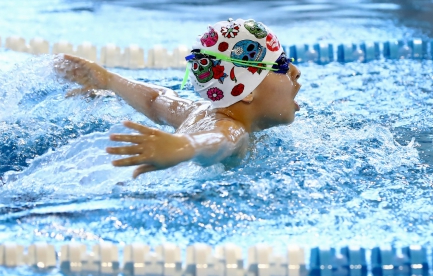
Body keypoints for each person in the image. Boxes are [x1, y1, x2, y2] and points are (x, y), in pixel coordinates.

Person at [53, 18, 301, 178]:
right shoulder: (233, 128)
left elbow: (157, 99)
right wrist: (185, 147)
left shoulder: (198, 111)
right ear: (246, 90)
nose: (295, 71)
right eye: (280, 64)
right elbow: (218, 141)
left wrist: (109, 80)